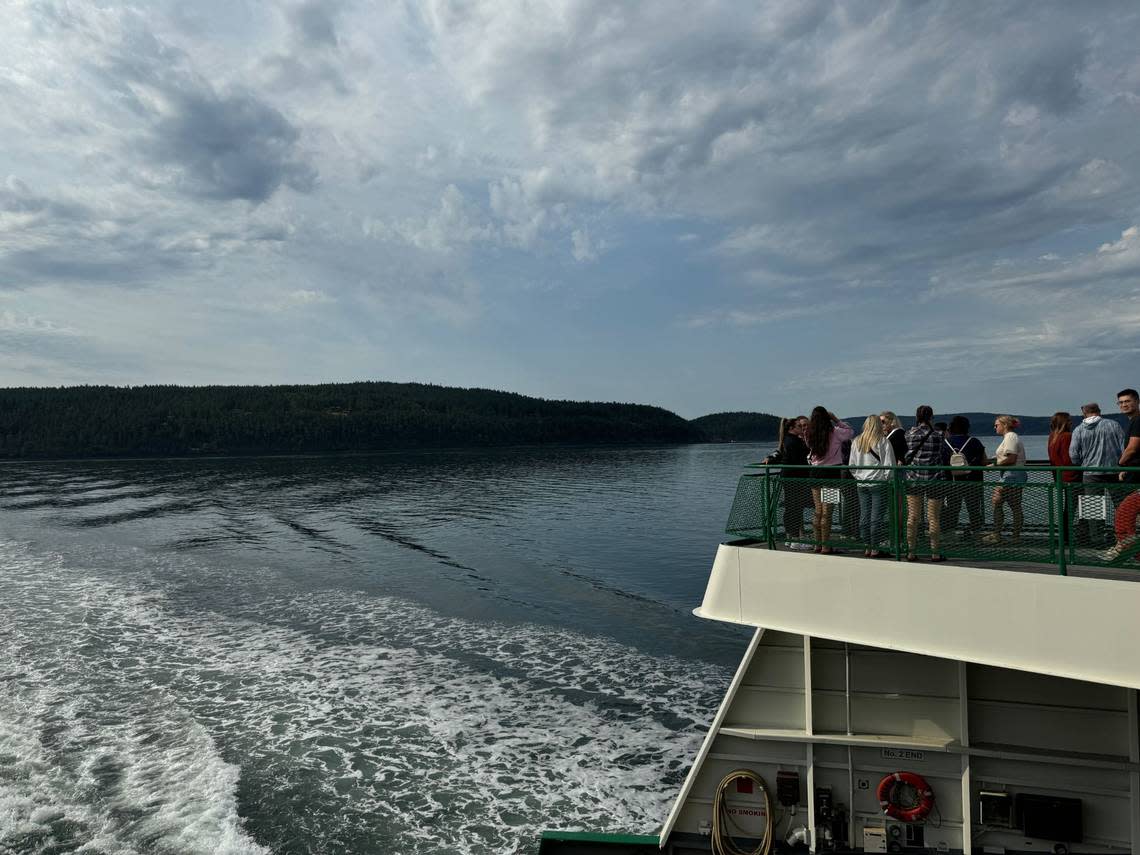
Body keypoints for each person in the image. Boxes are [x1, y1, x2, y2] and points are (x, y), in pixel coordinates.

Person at [1069, 402, 1125, 545]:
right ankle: (1124, 536)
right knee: (1121, 505)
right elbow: (1123, 447)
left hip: (1090, 473)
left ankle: (1097, 540)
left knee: (1093, 507)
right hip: (1114, 471)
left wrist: (1082, 463)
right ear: (1099, 411)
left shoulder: (1079, 430)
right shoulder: (1114, 425)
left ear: (1084, 413)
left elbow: (1073, 454)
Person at [806, 407, 853, 555]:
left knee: (818, 510)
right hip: (831, 474)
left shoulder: (809, 433)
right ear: (827, 418)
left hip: (815, 473)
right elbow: (850, 432)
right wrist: (836, 419)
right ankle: (826, 546)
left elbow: (808, 446)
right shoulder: (835, 432)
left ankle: (817, 544)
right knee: (827, 512)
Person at [847, 415, 896, 557]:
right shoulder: (883, 441)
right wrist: (887, 479)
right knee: (876, 516)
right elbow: (889, 465)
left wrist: (859, 477)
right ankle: (875, 547)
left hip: (862, 484)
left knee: (864, 514)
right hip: (878, 483)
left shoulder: (857, 441)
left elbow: (852, 465)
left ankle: (867, 545)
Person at [764, 417, 813, 551]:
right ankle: (796, 540)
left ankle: (790, 538)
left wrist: (771, 458)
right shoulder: (795, 442)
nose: (801, 428)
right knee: (795, 508)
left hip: (788, 477)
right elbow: (804, 455)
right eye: (798, 426)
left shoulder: (787, 441)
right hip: (795, 478)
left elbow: (780, 454)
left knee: (790, 508)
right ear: (791, 428)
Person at [904, 405, 945, 561]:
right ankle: (935, 553)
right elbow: (941, 453)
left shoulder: (909, 434)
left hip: (913, 478)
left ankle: (911, 552)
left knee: (913, 517)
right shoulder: (938, 435)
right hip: (934, 478)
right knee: (933, 518)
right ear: (931, 417)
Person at [941, 415, 987, 537]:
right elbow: (983, 461)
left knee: (953, 509)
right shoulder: (974, 441)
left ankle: (950, 533)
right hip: (973, 481)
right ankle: (976, 532)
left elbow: (942, 461)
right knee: (973, 508)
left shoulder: (945, 443)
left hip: (952, 482)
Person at [984, 415, 1027, 544]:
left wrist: (995, 465)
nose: (995, 427)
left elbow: (1011, 458)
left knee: (1002, 503)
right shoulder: (1009, 438)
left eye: (997, 425)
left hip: (1012, 475)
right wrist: (994, 461)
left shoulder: (1010, 437)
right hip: (1010, 474)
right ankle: (1009, 535)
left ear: (1005, 425)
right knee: (1007, 504)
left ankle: (1005, 535)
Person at [1047, 411, 1079, 536]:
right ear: (1065, 422)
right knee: (1073, 506)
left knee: (1067, 505)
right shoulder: (1067, 436)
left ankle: (1063, 532)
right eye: (1069, 420)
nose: (1071, 422)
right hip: (1071, 475)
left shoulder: (1052, 436)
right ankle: (1067, 533)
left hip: (1058, 475)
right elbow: (1068, 459)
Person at [1118, 389, 1140, 483]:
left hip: (1136, 473)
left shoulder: (1137, 421)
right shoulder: (1133, 421)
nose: (1124, 405)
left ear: (1137, 401)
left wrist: (1120, 464)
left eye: (1127, 401)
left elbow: (1132, 449)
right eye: (1121, 402)